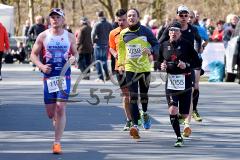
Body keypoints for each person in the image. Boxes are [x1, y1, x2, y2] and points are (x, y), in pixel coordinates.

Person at [30, 8, 78, 154]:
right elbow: (33, 54)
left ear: (63, 20)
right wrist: (41, 66)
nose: (54, 19)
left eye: (58, 17)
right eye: (52, 17)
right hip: (49, 77)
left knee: (60, 108)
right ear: (49, 20)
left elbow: (75, 53)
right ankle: (56, 122)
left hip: (64, 77)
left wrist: (73, 59)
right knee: (51, 113)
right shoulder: (43, 36)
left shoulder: (69, 37)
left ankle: (57, 142)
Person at [118, 8, 159, 139]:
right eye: (129, 16)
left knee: (144, 94)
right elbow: (121, 50)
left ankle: (145, 113)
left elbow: (156, 44)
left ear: (138, 17)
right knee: (133, 97)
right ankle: (135, 125)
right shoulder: (123, 33)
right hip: (130, 68)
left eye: (133, 15)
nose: (131, 18)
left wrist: (151, 50)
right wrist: (120, 64)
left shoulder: (146, 31)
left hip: (144, 68)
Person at [158, 21, 201, 147]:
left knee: (184, 114)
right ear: (168, 32)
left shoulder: (187, 45)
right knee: (172, 109)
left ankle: (181, 120)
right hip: (171, 81)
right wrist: (161, 65)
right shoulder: (164, 45)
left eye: (176, 30)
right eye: (171, 30)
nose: (173, 33)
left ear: (180, 32)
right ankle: (178, 137)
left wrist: (186, 65)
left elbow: (197, 62)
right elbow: (158, 61)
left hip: (185, 81)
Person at [109, 9, 132, 131]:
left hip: (134, 67)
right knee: (126, 95)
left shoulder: (135, 32)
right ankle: (129, 119)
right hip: (120, 67)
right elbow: (111, 48)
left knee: (135, 94)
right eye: (119, 20)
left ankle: (136, 114)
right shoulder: (113, 33)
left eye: (124, 20)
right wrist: (115, 54)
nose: (121, 22)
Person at [91, 11, 113, 82]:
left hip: (98, 44)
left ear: (98, 15)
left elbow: (93, 34)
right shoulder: (109, 24)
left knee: (98, 61)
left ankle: (100, 77)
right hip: (106, 44)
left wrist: (93, 42)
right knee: (104, 61)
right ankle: (107, 75)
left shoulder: (97, 24)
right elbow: (112, 34)